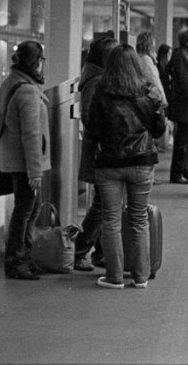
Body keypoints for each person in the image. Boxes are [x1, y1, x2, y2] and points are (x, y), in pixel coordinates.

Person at [86, 45, 165, 290]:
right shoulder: (149, 92)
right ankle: (141, 277)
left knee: (111, 220)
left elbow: (93, 129)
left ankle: (114, 277)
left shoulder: (101, 91)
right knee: (139, 219)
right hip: (141, 163)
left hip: (109, 163)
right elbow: (159, 129)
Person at [0, 40, 50, 280]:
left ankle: (24, 257)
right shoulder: (26, 89)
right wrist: (35, 171)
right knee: (24, 210)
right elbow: (31, 133)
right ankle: (16, 261)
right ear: (36, 61)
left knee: (28, 208)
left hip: (15, 158)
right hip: (24, 162)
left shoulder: (10, 82)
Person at [73, 35, 118, 272]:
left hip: (99, 149)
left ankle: (100, 251)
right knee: (102, 203)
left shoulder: (96, 78)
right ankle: (80, 250)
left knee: (104, 202)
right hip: (101, 151)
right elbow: (92, 117)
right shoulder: (96, 82)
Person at [167, 26, 188, 184]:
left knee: (186, 140)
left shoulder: (187, 54)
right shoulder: (182, 55)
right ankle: (177, 173)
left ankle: (183, 171)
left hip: (186, 105)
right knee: (182, 140)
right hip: (185, 106)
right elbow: (186, 82)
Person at [136, 32, 168, 157]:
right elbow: (154, 81)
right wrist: (163, 100)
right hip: (150, 103)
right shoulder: (147, 61)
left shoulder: (140, 59)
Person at [156, 43, 173, 153]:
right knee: (160, 121)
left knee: (164, 121)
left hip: (166, 98)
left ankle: (159, 143)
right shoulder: (158, 68)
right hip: (159, 99)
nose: (170, 56)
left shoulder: (167, 69)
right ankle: (157, 143)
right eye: (169, 54)